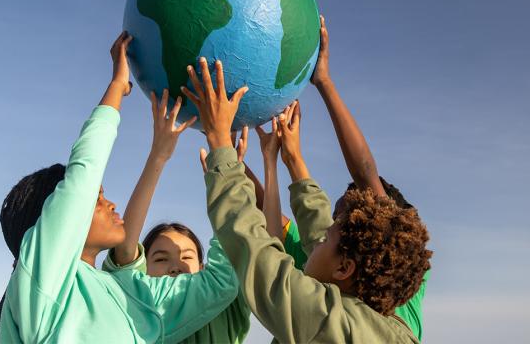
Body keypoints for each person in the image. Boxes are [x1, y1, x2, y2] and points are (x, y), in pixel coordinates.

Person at [0, 32, 239, 343]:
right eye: (96, 199)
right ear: (53, 221)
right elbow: (83, 175)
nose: (110, 205)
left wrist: (224, 158)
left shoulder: (131, 296)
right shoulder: (44, 281)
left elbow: (220, 281)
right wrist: (117, 89)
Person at [182, 55, 432, 343]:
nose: (317, 239)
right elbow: (317, 227)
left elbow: (257, 255)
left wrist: (220, 146)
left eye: (327, 239)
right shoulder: (372, 307)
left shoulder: (333, 323)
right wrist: (292, 160)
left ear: (344, 268)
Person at [251, 16, 431, 340]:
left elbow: (365, 173)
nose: (330, 226)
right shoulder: (327, 253)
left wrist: (324, 82)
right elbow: (274, 212)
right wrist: (241, 155)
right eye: (337, 219)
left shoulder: (395, 266)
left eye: (342, 219)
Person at [101, 89, 251, 343]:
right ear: (143, 271)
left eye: (187, 257)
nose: (176, 266)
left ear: (203, 268)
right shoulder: (143, 309)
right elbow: (125, 248)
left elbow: (234, 241)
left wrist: (227, 176)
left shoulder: (226, 302)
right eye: (160, 259)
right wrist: (157, 157)